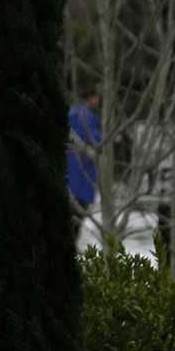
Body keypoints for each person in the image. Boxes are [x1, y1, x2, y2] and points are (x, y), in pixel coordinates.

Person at [66, 86, 102, 242]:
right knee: (77, 217)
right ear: (91, 97)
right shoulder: (87, 116)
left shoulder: (72, 113)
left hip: (70, 174)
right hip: (83, 176)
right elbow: (95, 141)